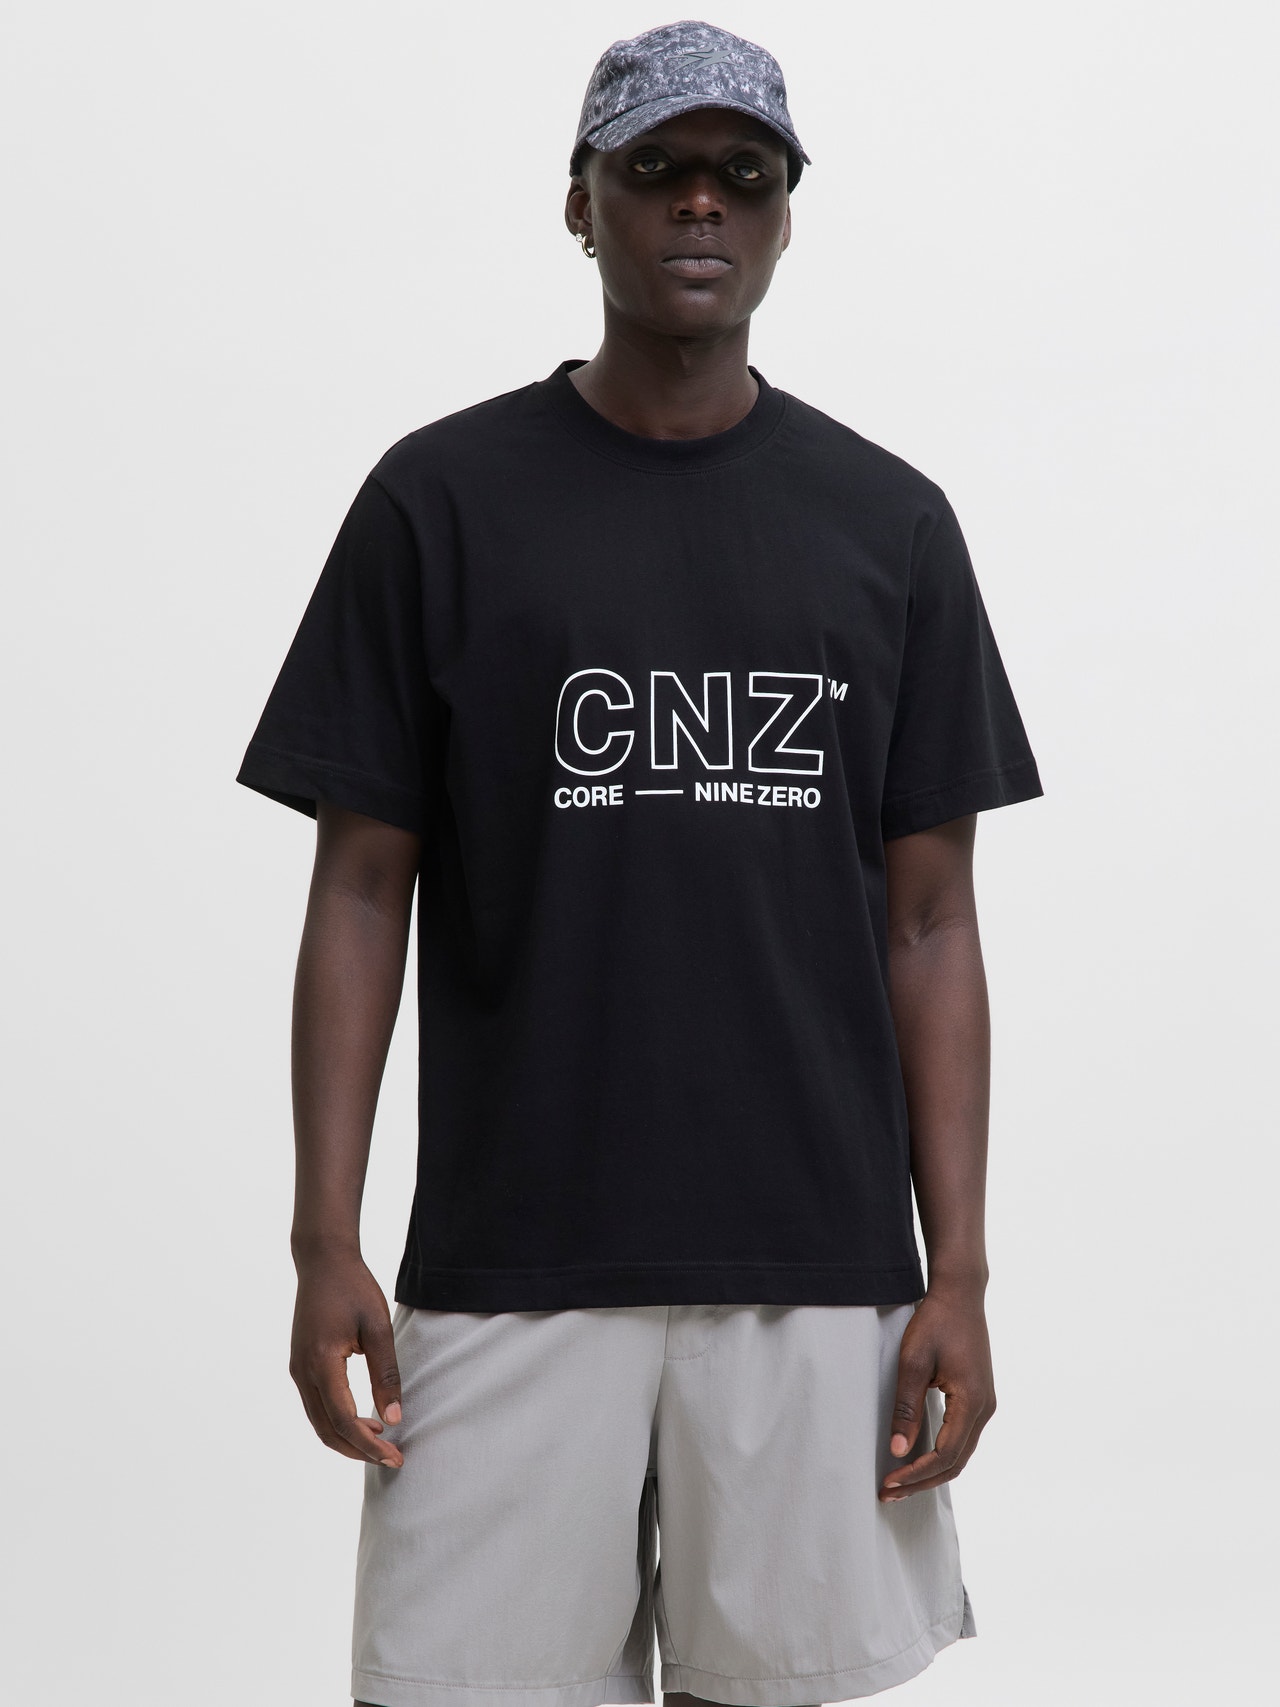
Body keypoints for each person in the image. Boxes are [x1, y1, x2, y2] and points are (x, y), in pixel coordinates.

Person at [235, 19, 1044, 1707]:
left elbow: (932, 920)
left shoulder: (889, 524)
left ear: (787, 217)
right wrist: (324, 1239)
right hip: (513, 1261)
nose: (699, 204)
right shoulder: (439, 504)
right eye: (655, 169)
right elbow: (360, 887)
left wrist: (959, 1269)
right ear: (579, 204)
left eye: (742, 175)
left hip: (817, 1269)